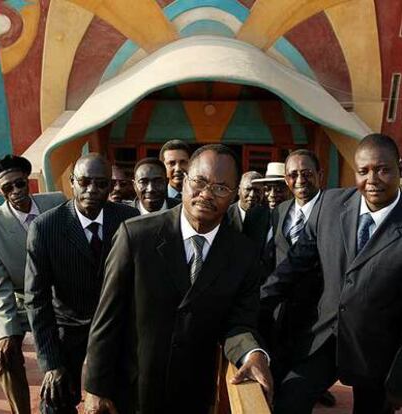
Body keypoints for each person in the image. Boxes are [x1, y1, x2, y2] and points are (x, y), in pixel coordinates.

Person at [83, 144, 273, 414]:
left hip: (193, 395)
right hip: (132, 392)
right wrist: (95, 388)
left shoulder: (243, 254)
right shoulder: (136, 236)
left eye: (220, 188)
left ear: (233, 196)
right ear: (184, 181)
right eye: (199, 181)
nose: (206, 194)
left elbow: (240, 322)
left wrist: (254, 355)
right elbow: (107, 317)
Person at [261, 134, 402, 414]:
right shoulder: (330, 205)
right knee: (289, 401)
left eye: (383, 169)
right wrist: (253, 307)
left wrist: (399, 381)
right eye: (363, 171)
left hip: (377, 355)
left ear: (399, 168)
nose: (372, 179)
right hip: (324, 339)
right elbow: (293, 266)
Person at [24, 153, 139, 413]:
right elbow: (36, 299)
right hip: (68, 339)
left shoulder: (129, 220)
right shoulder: (45, 227)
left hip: (117, 336)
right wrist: (51, 363)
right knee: (53, 404)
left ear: (110, 187)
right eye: (85, 182)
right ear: (72, 182)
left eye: (101, 184)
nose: (92, 190)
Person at [0, 155, 65, 414]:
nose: (16, 191)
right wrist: (6, 332)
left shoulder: (57, 203)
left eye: (20, 184)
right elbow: (0, 284)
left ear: (28, 182)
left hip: (63, 297)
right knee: (4, 356)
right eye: (7, 187)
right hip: (24, 302)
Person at [268, 149, 335, 407]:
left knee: (296, 395)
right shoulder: (280, 210)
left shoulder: (334, 212)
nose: (300, 180)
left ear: (320, 175)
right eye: (293, 175)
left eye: (306, 174)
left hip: (318, 317)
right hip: (282, 314)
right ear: (286, 179)